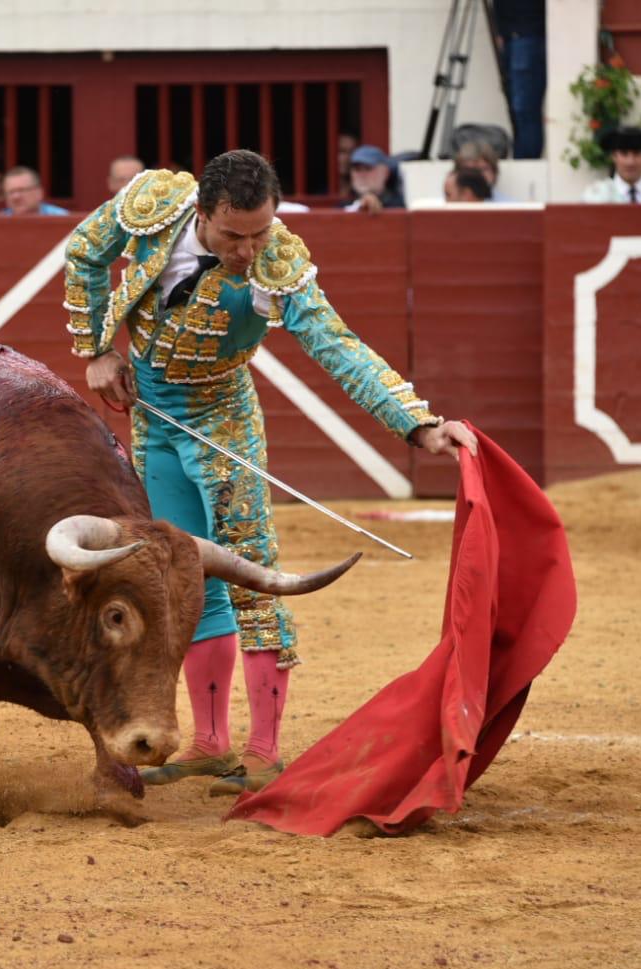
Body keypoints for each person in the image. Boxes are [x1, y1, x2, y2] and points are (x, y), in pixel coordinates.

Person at [63, 150, 476, 795]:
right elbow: (85, 252)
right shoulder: (152, 204)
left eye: (260, 233)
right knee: (184, 572)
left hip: (222, 422)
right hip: (152, 419)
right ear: (200, 214)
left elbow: (337, 345)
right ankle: (209, 743)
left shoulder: (277, 264)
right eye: (234, 236)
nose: (250, 250)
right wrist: (95, 350)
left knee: (253, 573)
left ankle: (262, 749)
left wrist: (417, 424)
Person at [494, 0, 546, 159]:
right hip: (513, 36)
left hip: (527, 33)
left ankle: (527, 159)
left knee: (524, 107)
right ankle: (523, 156)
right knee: (517, 107)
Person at [341, 145, 405, 213]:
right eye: (357, 169)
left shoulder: (401, 206)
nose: (362, 175)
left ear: (386, 173)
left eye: (368, 168)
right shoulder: (342, 206)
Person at [2, 166, 68, 216]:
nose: (16, 196)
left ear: (39, 193)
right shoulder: (0, 221)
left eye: (21, 190)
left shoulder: (63, 218)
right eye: (11, 192)